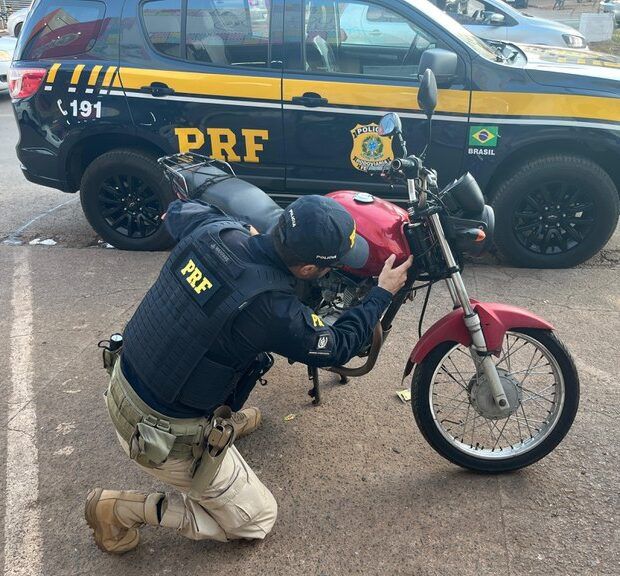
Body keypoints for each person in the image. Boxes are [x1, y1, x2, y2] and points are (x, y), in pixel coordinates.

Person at [85, 195, 412, 554]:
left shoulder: (216, 228)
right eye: (330, 266)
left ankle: (220, 424)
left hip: (124, 375)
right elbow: (338, 346)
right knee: (256, 520)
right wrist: (382, 293)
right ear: (307, 269)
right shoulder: (273, 310)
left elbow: (175, 211)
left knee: (220, 341)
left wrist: (242, 234)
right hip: (156, 434)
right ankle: (118, 509)